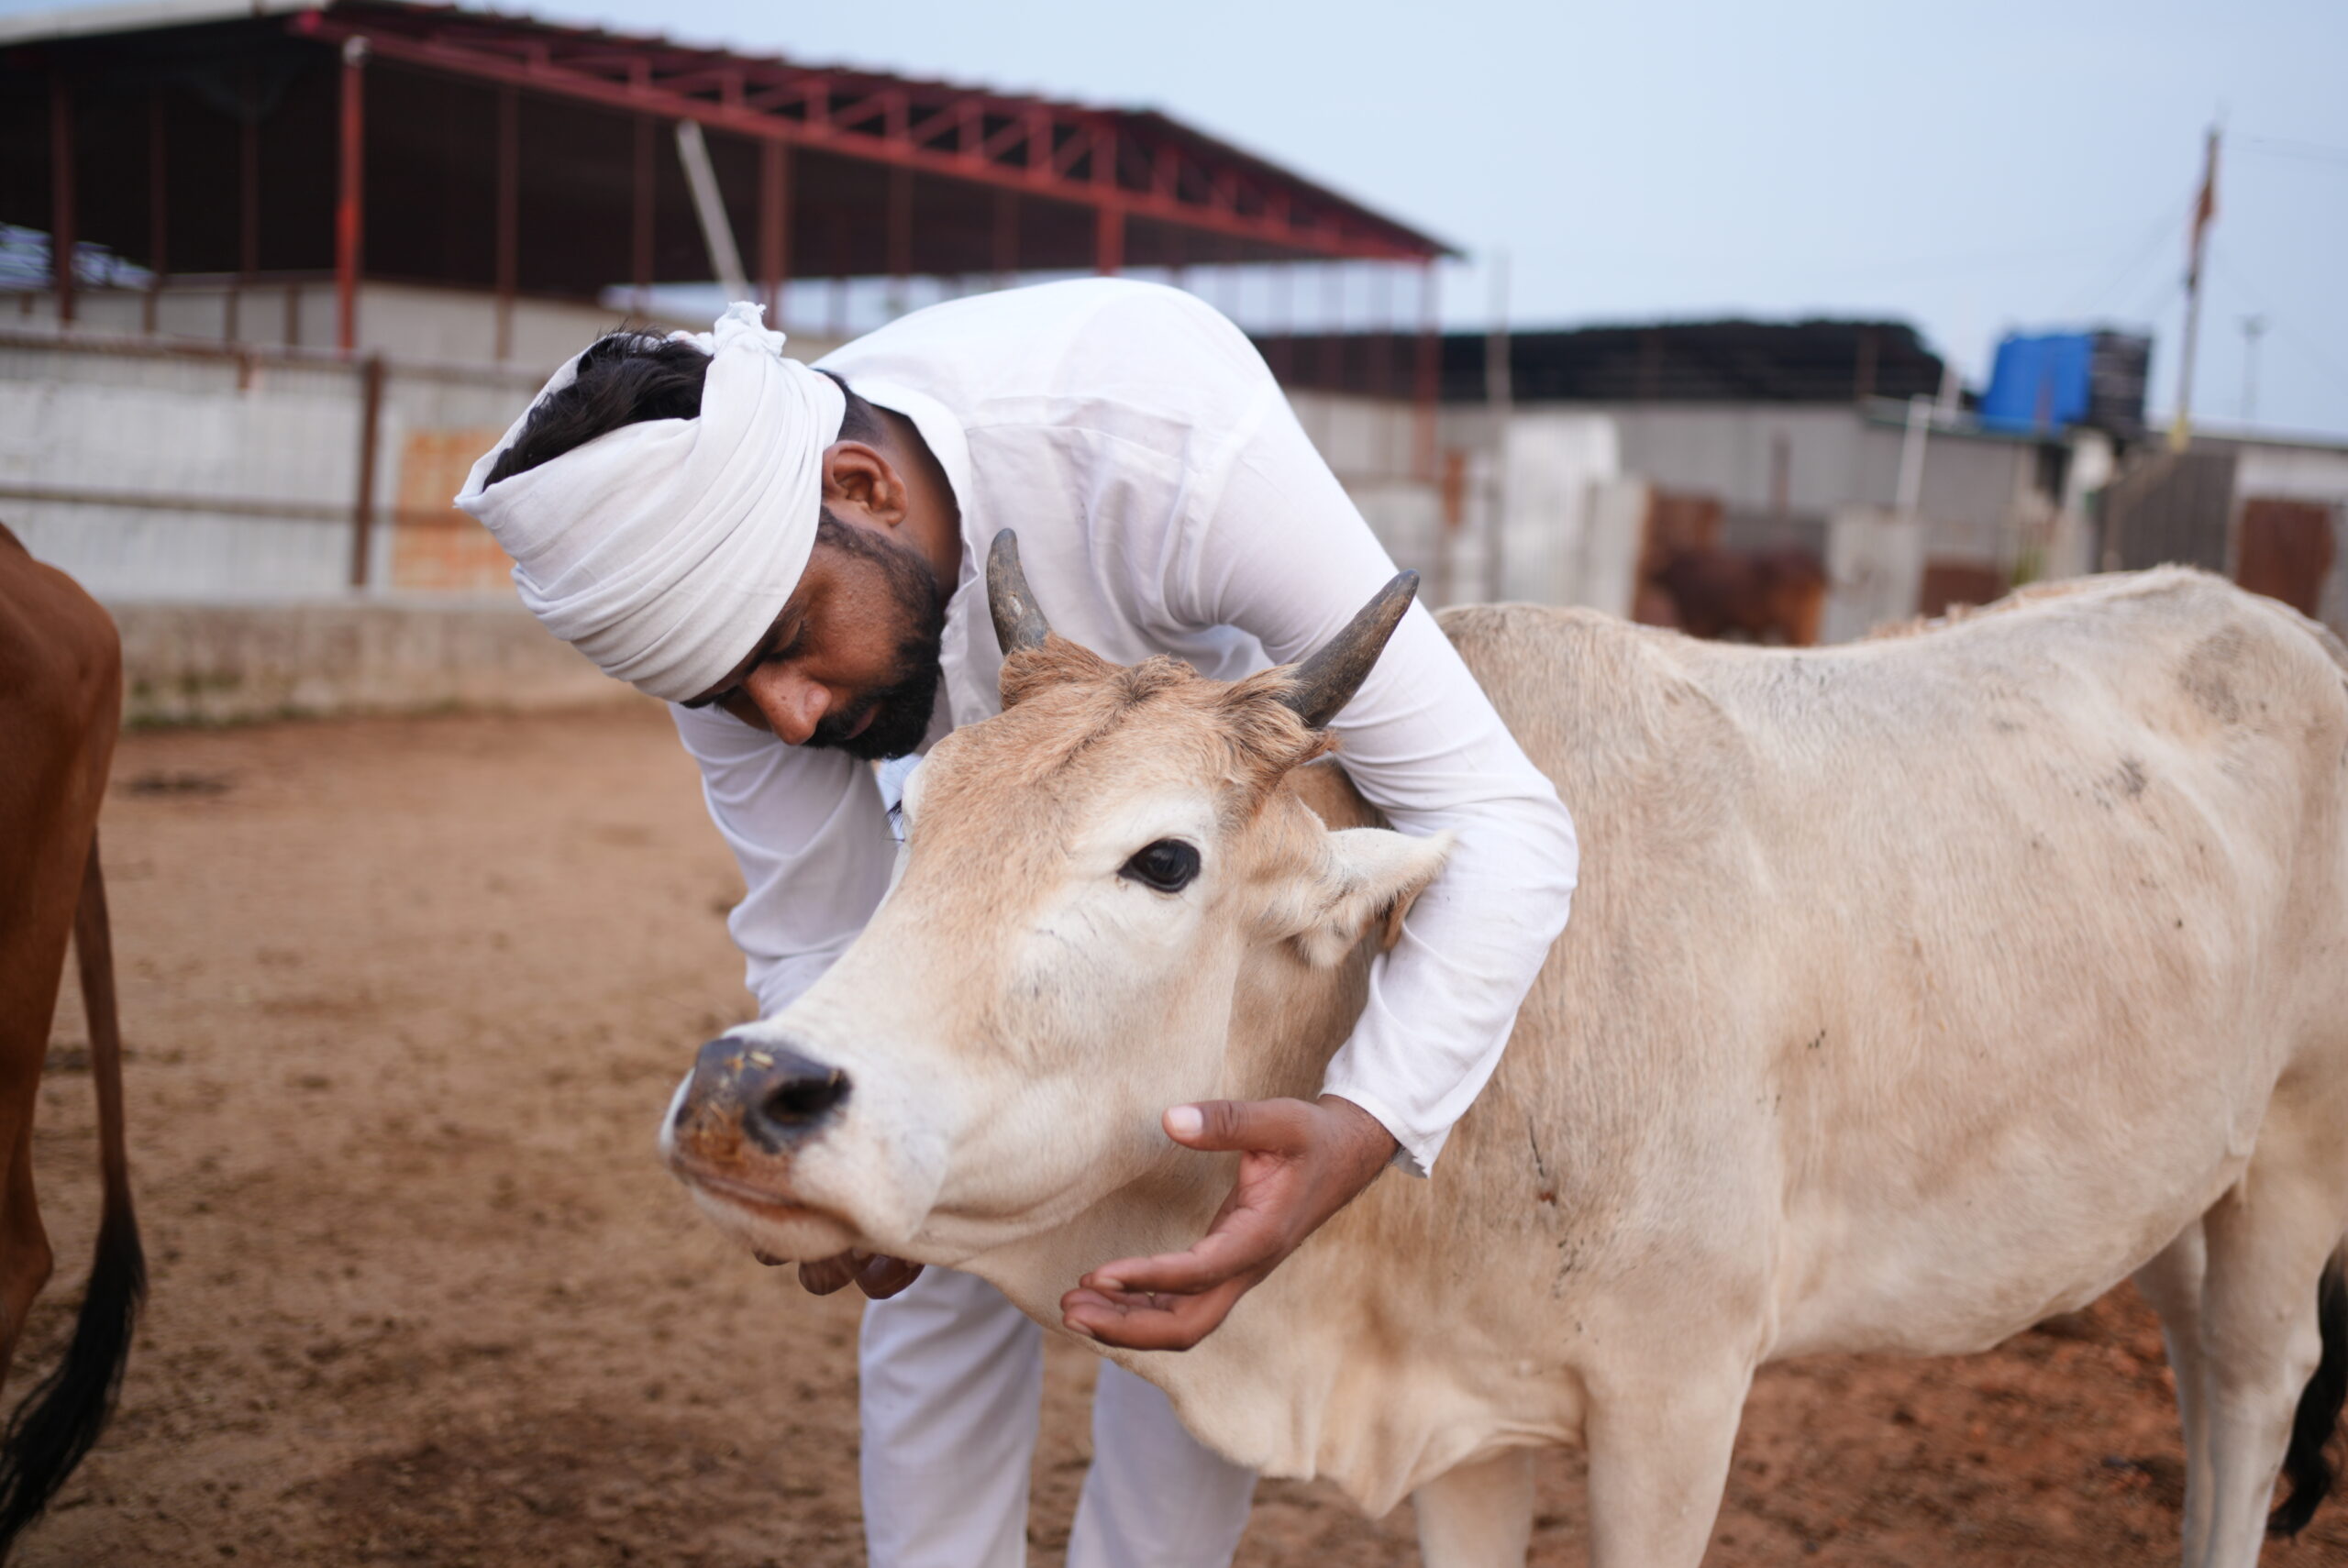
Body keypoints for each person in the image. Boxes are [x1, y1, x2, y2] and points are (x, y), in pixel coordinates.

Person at [456, 281, 1577, 1568]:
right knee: (920, 1250)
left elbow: (1503, 821)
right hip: (960, 863)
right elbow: (815, 935)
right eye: (727, 692)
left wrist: (1365, 1123)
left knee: (1195, 1211)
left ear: (865, 487)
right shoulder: (728, 596)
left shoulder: (1163, 440)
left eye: (792, 643)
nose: (792, 720)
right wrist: (848, 1143)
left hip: (1198, 896)